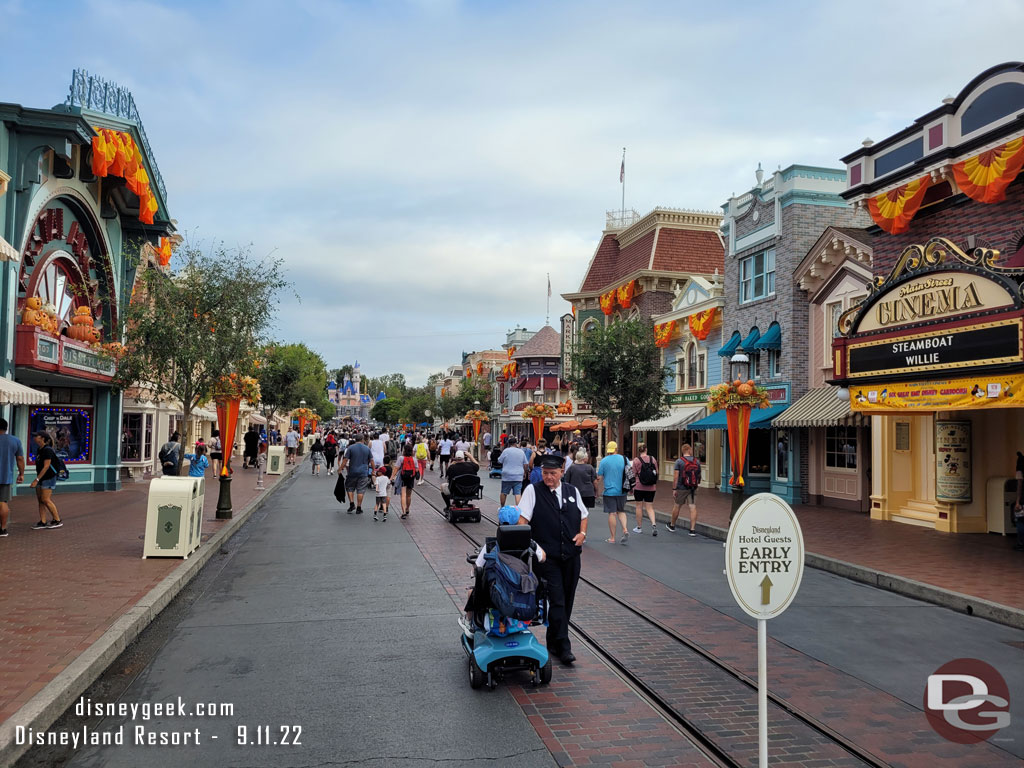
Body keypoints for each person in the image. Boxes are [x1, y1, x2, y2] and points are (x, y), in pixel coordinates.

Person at [516, 454, 588, 664]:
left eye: (553, 474)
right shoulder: (532, 490)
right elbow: (522, 523)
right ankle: (564, 647)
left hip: (572, 556)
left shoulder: (571, 491)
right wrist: (535, 547)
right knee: (556, 600)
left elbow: (584, 515)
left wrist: (583, 534)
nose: (548, 477)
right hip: (547, 558)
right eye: (545, 473)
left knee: (567, 599)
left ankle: (554, 642)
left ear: (561, 473)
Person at [459, 505, 547, 636]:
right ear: (519, 522)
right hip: (525, 593)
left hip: (495, 596)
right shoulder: (530, 544)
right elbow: (543, 558)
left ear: (499, 524)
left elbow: (477, 568)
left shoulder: (491, 546)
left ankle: (469, 623)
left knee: (472, 591)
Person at [596, 440, 628, 544]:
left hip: (609, 491)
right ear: (616, 449)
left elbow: (599, 477)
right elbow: (630, 472)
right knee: (621, 511)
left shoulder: (604, 461)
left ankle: (612, 537)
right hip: (622, 490)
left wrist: (596, 488)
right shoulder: (624, 459)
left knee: (612, 513)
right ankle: (625, 529)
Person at [29, 432, 62, 530]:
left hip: (48, 477)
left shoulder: (47, 450)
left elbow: (46, 466)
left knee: (45, 499)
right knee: (40, 500)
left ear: (42, 438)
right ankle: (43, 521)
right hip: (41, 477)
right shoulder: (40, 449)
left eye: (36, 436)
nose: (34, 438)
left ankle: (57, 520)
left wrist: (37, 479)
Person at [0, 417, 25, 537]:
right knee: (3, 502)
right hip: (5, 476)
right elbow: (20, 459)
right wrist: (21, 474)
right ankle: (3, 529)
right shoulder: (15, 440)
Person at [670, 443, 701, 536]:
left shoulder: (679, 461)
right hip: (693, 488)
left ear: (683, 451)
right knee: (692, 507)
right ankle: (692, 529)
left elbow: (676, 477)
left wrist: (674, 488)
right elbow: (699, 475)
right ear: (689, 450)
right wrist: (696, 484)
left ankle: (672, 525)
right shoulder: (697, 461)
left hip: (681, 487)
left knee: (677, 506)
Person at [340, 433, 374, 514]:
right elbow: (372, 460)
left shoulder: (351, 448)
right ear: (362, 439)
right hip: (363, 472)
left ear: (355, 440)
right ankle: (359, 507)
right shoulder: (367, 449)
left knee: (349, 487)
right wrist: (373, 470)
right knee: (361, 490)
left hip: (352, 471)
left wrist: (340, 468)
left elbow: (345, 460)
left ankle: (352, 503)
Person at [631, 442, 659, 536]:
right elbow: (656, 472)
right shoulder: (653, 459)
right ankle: (654, 524)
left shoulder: (636, 460)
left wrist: (631, 487)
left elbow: (633, 474)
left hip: (639, 486)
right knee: (650, 507)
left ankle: (639, 527)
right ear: (646, 449)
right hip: (651, 487)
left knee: (639, 506)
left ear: (638, 450)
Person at [497, 436, 529, 505]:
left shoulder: (506, 451)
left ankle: (502, 507)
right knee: (517, 493)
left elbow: (499, 461)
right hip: (518, 475)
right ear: (516, 443)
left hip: (507, 475)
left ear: (509, 443)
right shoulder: (521, 451)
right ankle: (518, 509)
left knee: (504, 492)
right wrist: (525, 472)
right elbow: (526, 464)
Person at [394, 444, 419, 518]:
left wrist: (392, 477)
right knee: (409, 495)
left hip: (403, 478)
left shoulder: (401, 458)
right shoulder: (414, 459)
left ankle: (403, 511)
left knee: (403, 495)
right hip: (411, 478)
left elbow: (396, 468)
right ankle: (407, 509)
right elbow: (417, 469)